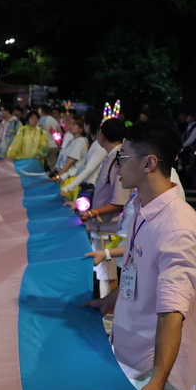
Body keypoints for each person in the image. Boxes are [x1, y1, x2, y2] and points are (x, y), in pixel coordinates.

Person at [85, 121, 196, 390]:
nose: (117, 164)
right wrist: (110, 299)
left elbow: (172, 313)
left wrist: (157, 380)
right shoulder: (144, 206)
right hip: (127, 346)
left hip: (157, 364)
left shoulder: (177, 228)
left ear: (149, 163)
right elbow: (137, 267)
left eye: (123, 157)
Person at [78, 118, 129, 297]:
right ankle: (107, 312)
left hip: (108, 228)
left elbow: (119, 201)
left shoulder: (117, 159)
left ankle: (107, 317)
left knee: (107, 275)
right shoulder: (112, 156)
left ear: (102, 136)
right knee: (105, 274)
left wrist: (93, 212)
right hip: (102, 225)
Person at [50, 117, 88, 182]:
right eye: (70, 123)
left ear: (81, 129)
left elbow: (69, 163)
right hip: (64, 176)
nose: (71, 126)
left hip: (70, 178)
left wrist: (58, 177)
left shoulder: (79, 142)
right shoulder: (72, 141)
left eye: (74, 124)